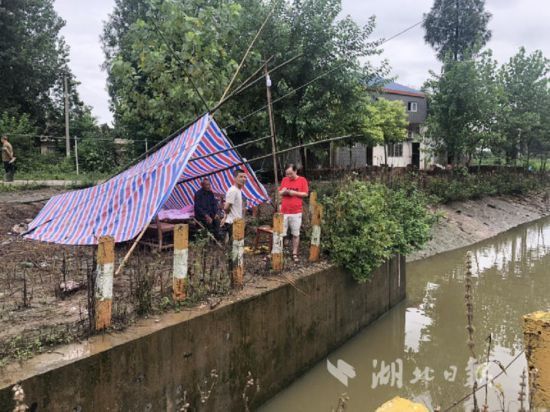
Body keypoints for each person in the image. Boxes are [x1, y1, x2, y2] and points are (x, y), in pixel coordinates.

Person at [279, 164, 309, 263]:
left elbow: (305, 193)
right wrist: (284, 192)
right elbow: (280, 192)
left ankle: (294, 253)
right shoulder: (284, 180)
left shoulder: (302, 180)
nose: (289, 176)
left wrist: (293, 193)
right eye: (287, 174)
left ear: (296, 171)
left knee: (295, 233)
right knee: (281, 233)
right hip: (284, 210)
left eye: (291, 174)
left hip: (296, 211)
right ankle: (279, 252)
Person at [221, 168, 247, 236]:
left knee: (237, 244)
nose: (243, 179)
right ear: (234, 178)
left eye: (244, 177)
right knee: (235, 245)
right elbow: (226, 207)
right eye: (240, 177)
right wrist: (225, 217)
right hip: (232, 223)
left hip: (237, 222)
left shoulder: (238, 190)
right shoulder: (233, 190)